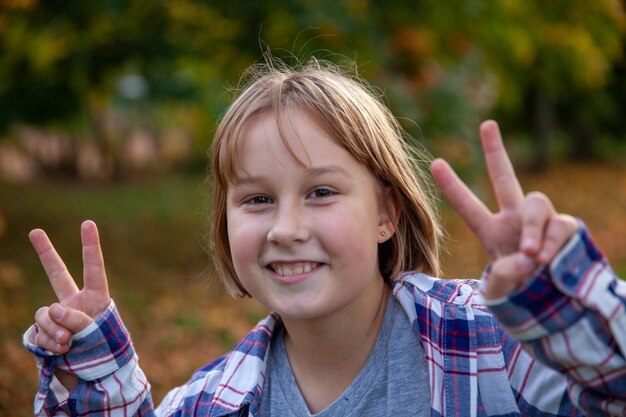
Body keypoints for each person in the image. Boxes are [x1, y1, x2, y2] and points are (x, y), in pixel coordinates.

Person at [23, 59, 626, 417]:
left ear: (387, 213)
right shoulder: (212, 402)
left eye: (321, 192)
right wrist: (97, 376)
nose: (287, 229)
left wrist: (560, 305)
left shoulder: (496, 345)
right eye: (257, 200)